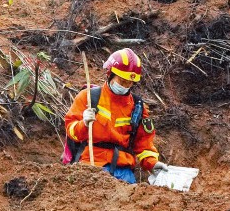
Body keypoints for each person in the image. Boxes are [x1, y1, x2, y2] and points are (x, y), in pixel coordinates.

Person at [63, 48, 166, 183]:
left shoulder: (137, 106)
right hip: (91, 165)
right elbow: (71, 132)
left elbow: (143, 143)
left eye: (130, 83)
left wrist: (152, 163)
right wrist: (84, 123)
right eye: (122, 81)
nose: (125, 86)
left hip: (123, 170)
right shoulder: (88, 97)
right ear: (110, 73)